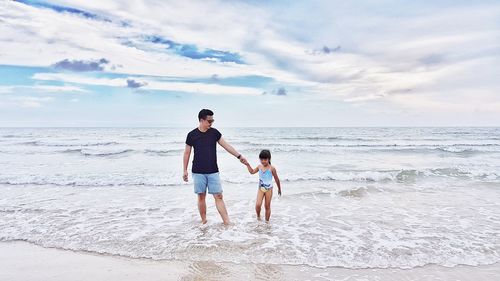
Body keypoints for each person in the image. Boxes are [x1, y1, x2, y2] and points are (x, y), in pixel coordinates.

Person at [183, 109, 248, 225]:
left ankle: (227, 223)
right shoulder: (192, 135)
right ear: (202, 120)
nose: (211, 123)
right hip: (198, 171)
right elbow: (187, 153)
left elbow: (226, 146)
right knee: (201, 196)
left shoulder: (214, 133)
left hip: (213, 171)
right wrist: (184, 170)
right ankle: (204, 222)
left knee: (218, 196)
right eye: (209, 121)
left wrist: (239, 156)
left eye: (212, 120)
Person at [245, 149, 281, 222]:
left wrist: (279, 189)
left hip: (269, 189)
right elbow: (252, 172)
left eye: (265, 159)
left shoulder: (272, 168)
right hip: (260, 188)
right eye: (261, 159)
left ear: (269, 159)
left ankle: (267, 222)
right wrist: (247, 164)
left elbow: (277, 179)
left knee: (267, 206)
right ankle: (258, 217)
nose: (263, 161)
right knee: (258, 205)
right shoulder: (259, 167)